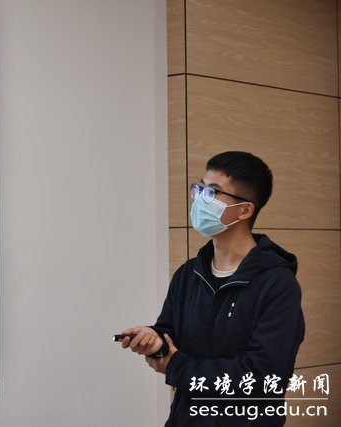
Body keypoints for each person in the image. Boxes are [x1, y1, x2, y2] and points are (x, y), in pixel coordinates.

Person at [120, 152, 305, 426]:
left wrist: (177, 365)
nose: (199, 200)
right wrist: (155, 341)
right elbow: (170, 334)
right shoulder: (189, 273)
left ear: (245, 210)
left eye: (212, 193)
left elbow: (262, 378)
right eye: (199, 189)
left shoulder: (277, 284)